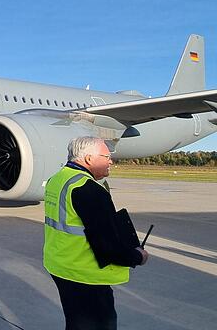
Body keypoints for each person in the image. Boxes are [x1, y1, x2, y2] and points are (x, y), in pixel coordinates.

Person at [44, 136, 149, 329]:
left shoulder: (57, 180)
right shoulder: (89, 189)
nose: (111, 161)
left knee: (76, 321)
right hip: (85, 275)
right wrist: (137, 256)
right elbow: (107, 246)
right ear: (89, 159)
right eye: (106, 156)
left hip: (60, 266)